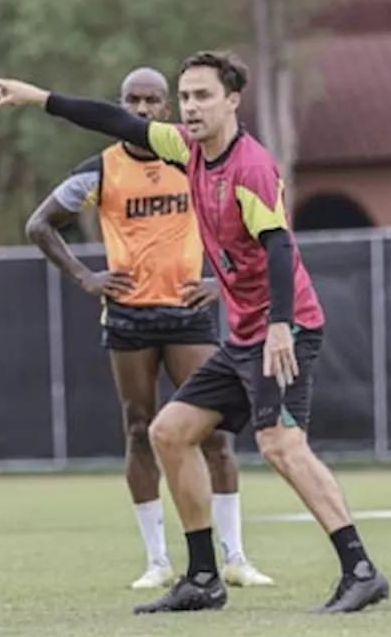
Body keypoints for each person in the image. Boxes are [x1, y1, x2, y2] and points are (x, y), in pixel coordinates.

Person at [0, 51, 390, 615]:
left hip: (284, 329)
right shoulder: (186, 148)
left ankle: (361, 570)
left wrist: (278, 328)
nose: (193, 107)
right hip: (246, 335)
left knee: (281, 445)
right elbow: (114, 121)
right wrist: (38, 97)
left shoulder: (250, 167)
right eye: (188, 96)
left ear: (231, 101)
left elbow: (278, 247)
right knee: (169, 432)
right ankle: (202, 578)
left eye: (203, 96)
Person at [25, 67, 274, 590]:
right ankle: (158, 559)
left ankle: (234, 556)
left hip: (188, 314)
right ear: (121, 105)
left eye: (153, 100)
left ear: (165, 109)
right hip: (129, 317)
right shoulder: (99, 170)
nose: (142, 109)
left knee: (213, 434)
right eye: (132, 100)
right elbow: (39, 223)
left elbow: (248, 224)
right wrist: (86, 277)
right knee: (139, 429)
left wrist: (221, 283)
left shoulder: (193, 159)